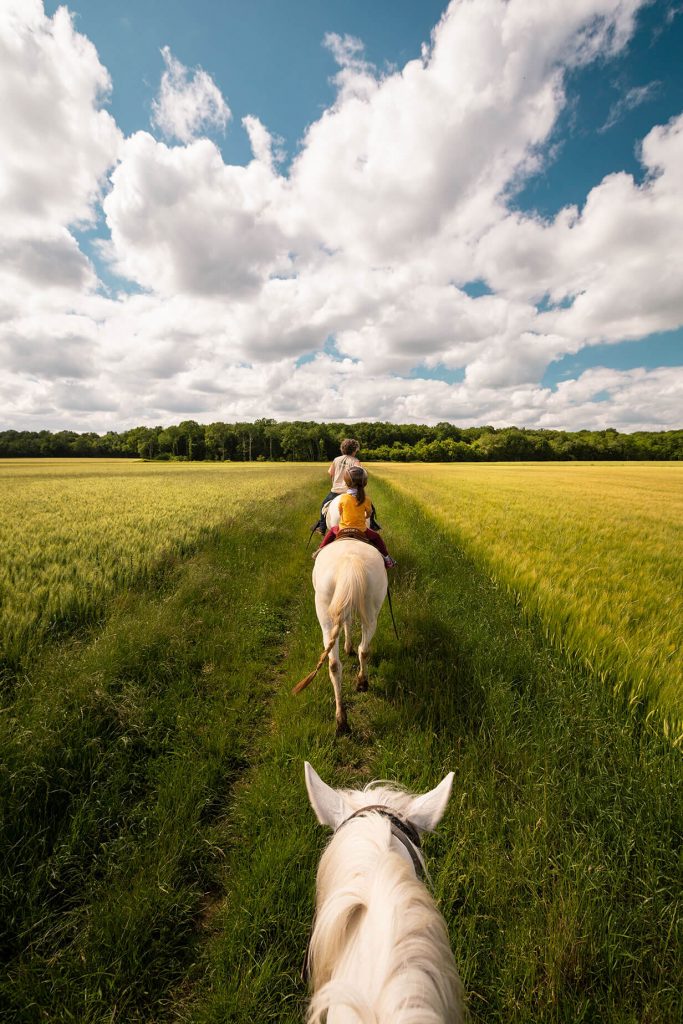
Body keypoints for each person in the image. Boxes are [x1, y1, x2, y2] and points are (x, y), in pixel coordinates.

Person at [313, 466, 396, 568]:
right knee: (377, 537)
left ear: (347, 483)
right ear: (364, 483)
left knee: (330, 532)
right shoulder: (366, 499)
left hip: (343, 528)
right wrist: (365, 516)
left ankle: (320, 551)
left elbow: (340, 511)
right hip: (361, 530)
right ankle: (387, 559)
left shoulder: (343, 498)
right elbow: (369, 514)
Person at [311, 438, 381, 534]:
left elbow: (330, 473)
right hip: (351, 491)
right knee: (371, 507)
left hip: (335, 491)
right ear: (354, 450)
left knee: (324, 504)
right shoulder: (355, 461)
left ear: (342, 449)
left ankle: (322, 527)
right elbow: (360, 475)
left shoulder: (336, 459)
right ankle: (372, 525)